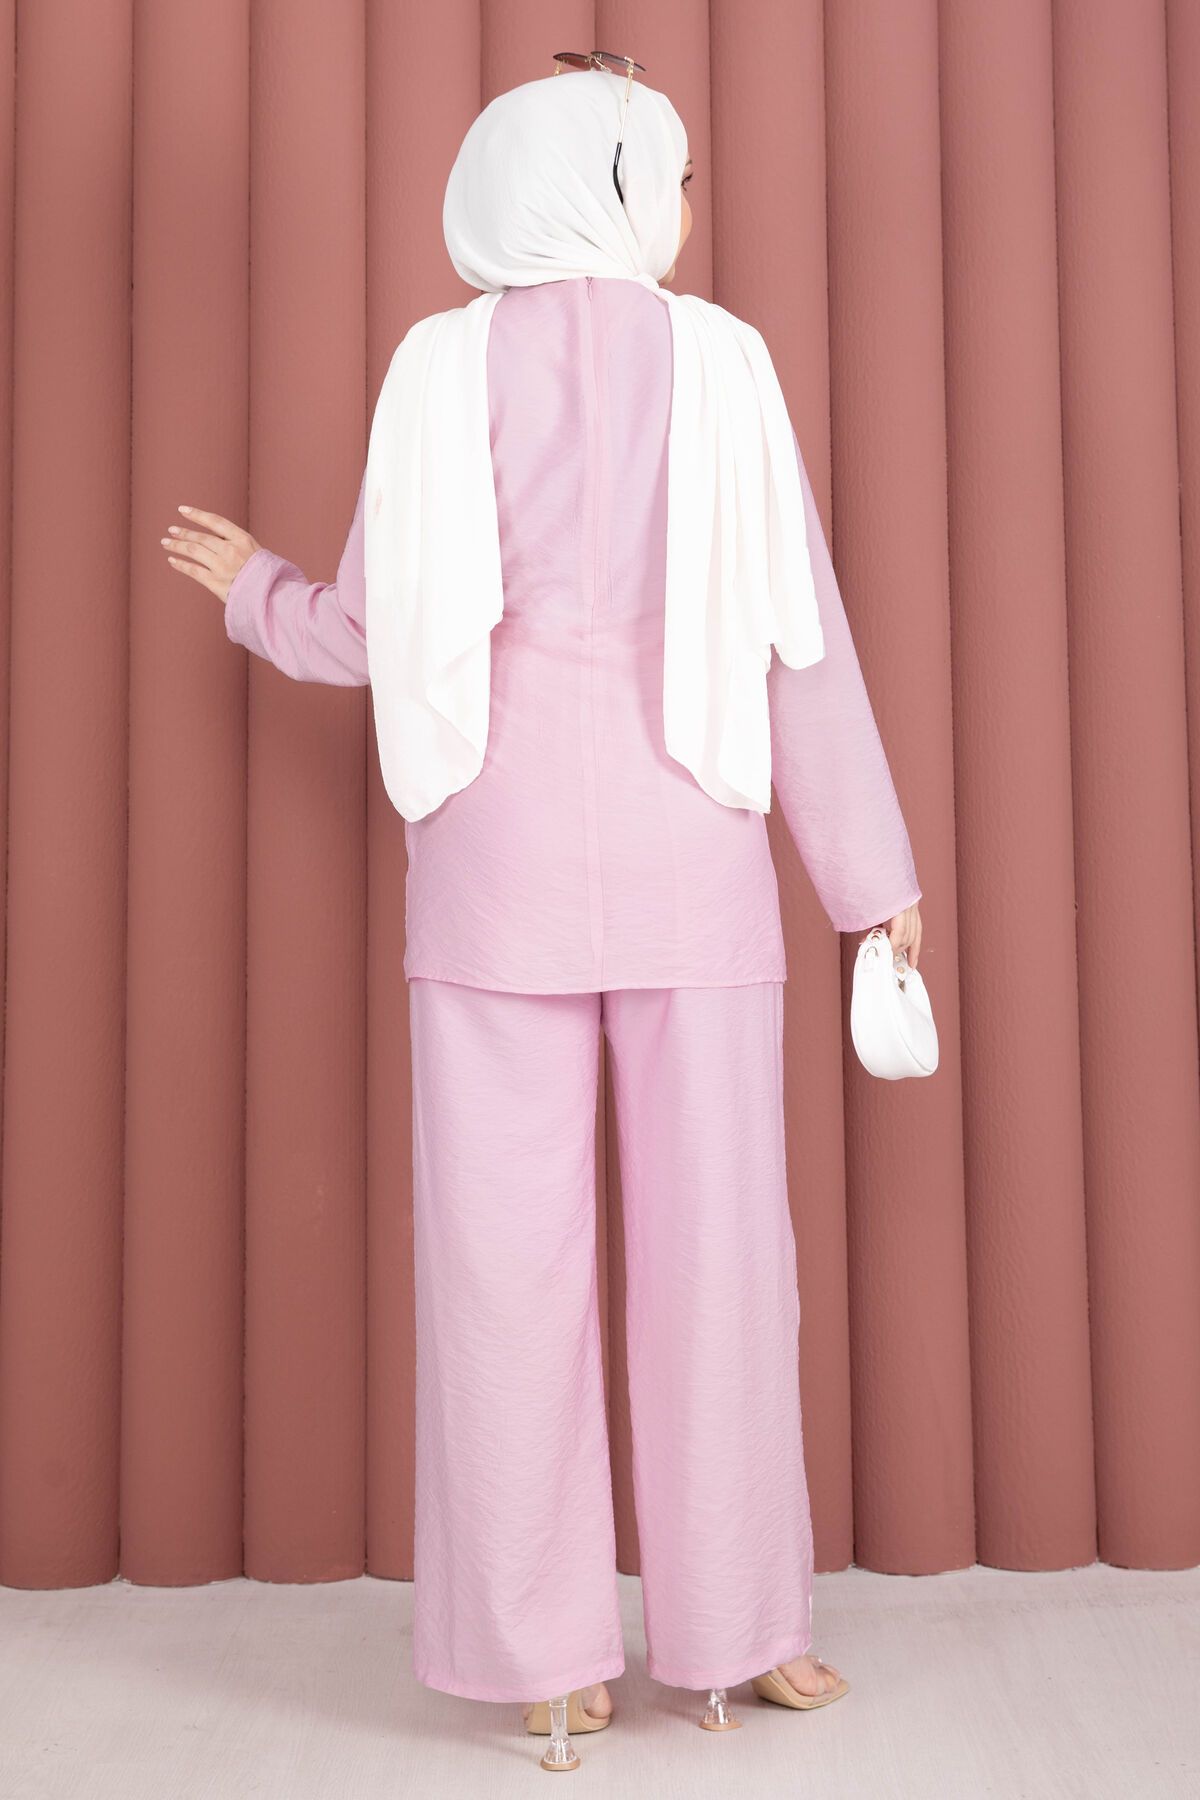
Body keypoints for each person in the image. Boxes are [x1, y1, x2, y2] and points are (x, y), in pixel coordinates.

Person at [162, 60, 922, 1767]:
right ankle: (740, 1636)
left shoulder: (437, 367)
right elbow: (799, 642)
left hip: (491, 872)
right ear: (623, 186)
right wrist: (874, 885)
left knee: (501, 1273)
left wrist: (258, 592)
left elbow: (374, 638)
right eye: (676, 178)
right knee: (724, 1267)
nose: (690, 209)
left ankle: (545, 1659)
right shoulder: (726, 363)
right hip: (695, 861)